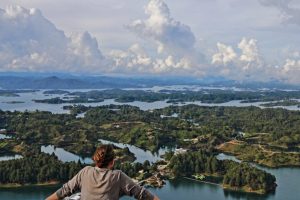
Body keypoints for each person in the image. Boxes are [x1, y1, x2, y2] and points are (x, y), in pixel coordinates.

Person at [46, 144, 159, 200]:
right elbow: (142, 194)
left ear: (96, 159)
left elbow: (64, 191)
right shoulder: (117, 176)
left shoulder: (85, 172)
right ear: (112, 162)